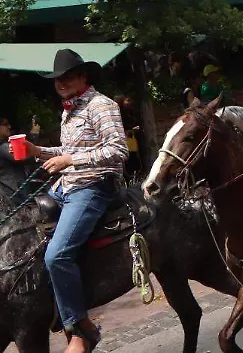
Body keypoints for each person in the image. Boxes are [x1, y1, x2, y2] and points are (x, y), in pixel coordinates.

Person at [22, 49, 128, 353]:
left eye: (67, 76)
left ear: (83, 76)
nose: (61, 82)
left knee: (57, 255)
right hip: (65, 186)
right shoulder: (70, 109)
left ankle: (79, 328)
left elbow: (118, 150)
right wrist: (38, 151)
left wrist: (70, 159)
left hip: (93, 187)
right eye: (57, 79)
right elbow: (67, 150)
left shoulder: (101, 105)